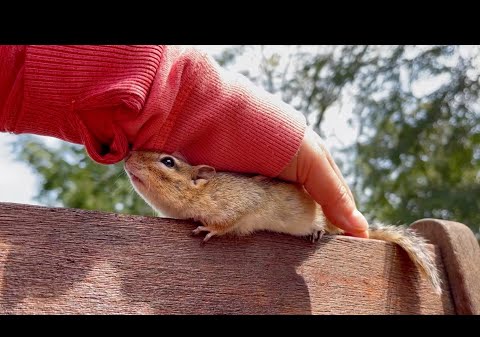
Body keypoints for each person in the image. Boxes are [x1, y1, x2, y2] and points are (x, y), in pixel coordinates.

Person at [0, 45, 369, 238]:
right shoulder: (190, 205)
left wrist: (181, 99)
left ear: (200, 177)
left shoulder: (212, 194)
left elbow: (247, 202)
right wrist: (179, 98)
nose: (133, 162)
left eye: (167, 162)